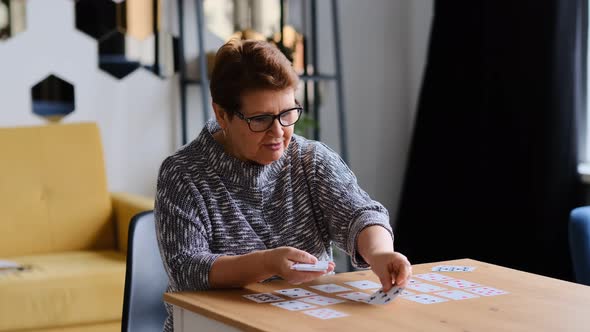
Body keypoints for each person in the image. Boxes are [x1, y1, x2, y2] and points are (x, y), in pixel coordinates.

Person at [154, 39, 411, 331]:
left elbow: (360, 214)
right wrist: (266, 264)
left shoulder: (310, 159)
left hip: (306, 322)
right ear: (221, 114)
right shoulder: (183, 173)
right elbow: (187, 268)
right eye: (261, 119)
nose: (279, 132)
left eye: (287, 114)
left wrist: (379, 253)